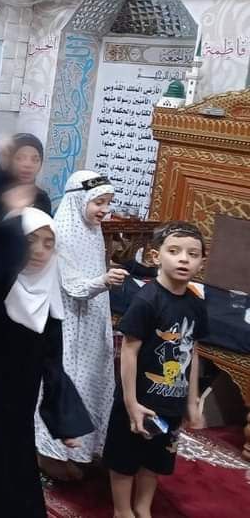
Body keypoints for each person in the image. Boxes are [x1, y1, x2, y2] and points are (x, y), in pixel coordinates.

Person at [0, 203, 93, 517]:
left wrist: (64, 422)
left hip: (21, 396)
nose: (40, 250)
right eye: (30, 240)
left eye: (48, 243)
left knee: (15, 458)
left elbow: (52, 362)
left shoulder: (48, 295)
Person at [104, 222, 208, 518]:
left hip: (171, 402)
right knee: (125, 460)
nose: (183, 259)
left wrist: (191, 401)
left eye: (192, 254)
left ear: (202, 262)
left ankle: (143, 507)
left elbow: (192, 351)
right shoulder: (147, 300)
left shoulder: (196, 304)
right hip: (139, 401)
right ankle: (122, 510)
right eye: (174, 251)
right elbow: (129, 351)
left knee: (155, 461)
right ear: (155, 256)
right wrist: (130, 403)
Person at [35, 170, 128, 479]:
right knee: (68, 382)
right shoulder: (60, 232)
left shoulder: (91, 229)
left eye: (107, 203)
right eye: (98, 202)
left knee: (90, 380)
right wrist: (104, 280)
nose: (104, 210)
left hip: (91, 319)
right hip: (68, 324)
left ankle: (83, 449)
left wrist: (103, 279)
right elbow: (72, 286)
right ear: (79, 200)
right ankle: (50, 454)